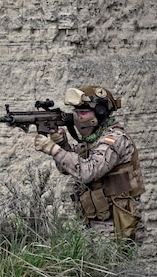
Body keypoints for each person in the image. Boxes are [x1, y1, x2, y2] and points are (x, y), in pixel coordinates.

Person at [33, 85, 145, 243]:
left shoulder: (114, 139)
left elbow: (87, 172)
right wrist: (63, 145)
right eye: (76, 113)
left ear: (100, 113)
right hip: (99, 220)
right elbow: (70, 169)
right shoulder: (93, 139)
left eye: (84, 112)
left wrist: (54, 150)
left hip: (119, 222)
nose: (78, 117)